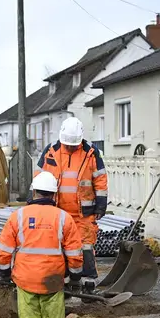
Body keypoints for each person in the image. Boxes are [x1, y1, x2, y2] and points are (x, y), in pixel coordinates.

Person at [0, 172, 84, 318]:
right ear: (54, 194)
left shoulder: (18, 216)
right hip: (53, 279)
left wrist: (4, 273)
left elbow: (4, 250)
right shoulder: (64, 218)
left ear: (33, 191)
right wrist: (75, 276)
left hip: (25, 278)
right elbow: (75, 253)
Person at [34, 117, 108, 295]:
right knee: (59, 246)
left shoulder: (91, 152)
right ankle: (65, 283)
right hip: (57, 211)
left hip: (83, 212)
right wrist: (37, 202)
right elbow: (39, 177)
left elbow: (100, 179)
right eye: (67, 144)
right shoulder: (51, 151)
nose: (70, 147)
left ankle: (88, 283)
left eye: (73, 144)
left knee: (86, 247)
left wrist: (100, 206)